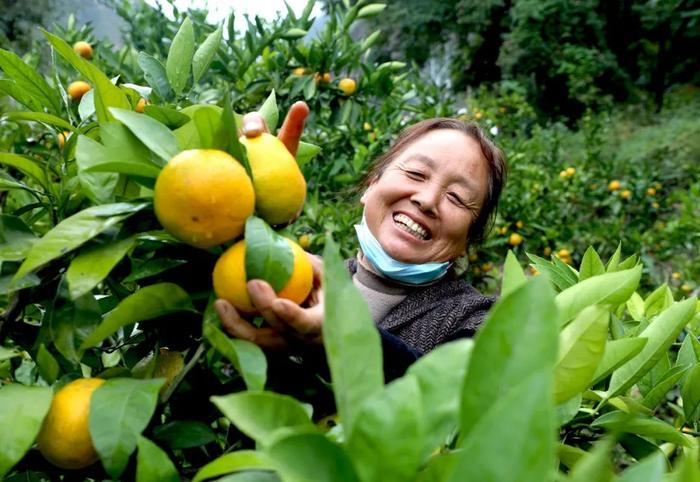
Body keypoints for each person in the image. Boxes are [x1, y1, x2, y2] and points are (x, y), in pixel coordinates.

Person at [215, 100, 507, 380]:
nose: (427, 200)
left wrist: (342, 335)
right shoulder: (300, 279)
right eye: (417, 173)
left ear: (468, 239)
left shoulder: (479, 320)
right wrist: (251, 219)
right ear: (372, 184)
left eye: (456, 198)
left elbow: (453, 396)